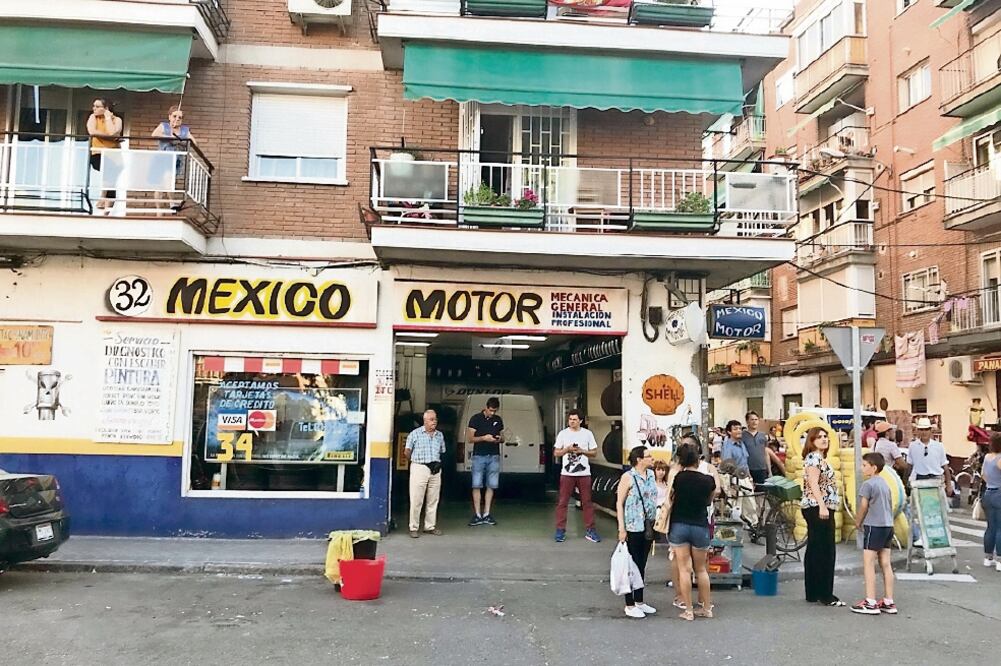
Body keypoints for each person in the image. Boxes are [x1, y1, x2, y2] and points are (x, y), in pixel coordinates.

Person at [668, 441, 720, 621]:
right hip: (700, 525)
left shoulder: (678, 478)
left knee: (684, 569)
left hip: (679, 524)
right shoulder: (708, 480)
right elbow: (709, 500)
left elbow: (671, 497)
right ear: (698, 459)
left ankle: (688, 610)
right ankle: (706, 608)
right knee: (701, 570)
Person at [800, 427, 843, 606]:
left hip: (817, 506)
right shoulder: (814, 459)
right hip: (818, 507)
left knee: (815, 549)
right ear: (811, 440)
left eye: (825, 437)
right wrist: (823, 506)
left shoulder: (819, 458)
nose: (824, 440)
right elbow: (813, 483)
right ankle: (826, 594)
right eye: (819, 437)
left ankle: (813, 592)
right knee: (825, 551)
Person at [851, 453, 898, 615]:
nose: (862, 468)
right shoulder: (885, 484)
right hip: (888, 526)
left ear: (874, 468)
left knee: (869, 563)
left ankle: (870, 601)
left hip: (874, 526)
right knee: (885, 563)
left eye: (864, 465)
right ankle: (889, 601)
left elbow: (863, 506)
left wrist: (858, 521)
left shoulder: (868, 485)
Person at [616, 446, 658, 618]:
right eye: (648, 456)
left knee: (642, 563)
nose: (651, 458)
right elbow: (619, 503)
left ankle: (640, 600)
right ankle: (629, 602)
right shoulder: (628, 477)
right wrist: (622, 527)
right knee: (631, 564)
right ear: (639, 459)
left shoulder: (651, 475)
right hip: (633, 526)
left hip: (648, 525)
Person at [554, 409, 600, 543]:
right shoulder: (563, 434)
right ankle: (560, 530)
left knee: (587, 502)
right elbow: (556, 453)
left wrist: (582, 451)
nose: (571, 422)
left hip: (584, 473)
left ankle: (590, 530)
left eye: (574, 419)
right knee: (563, 502)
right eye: (570, 419)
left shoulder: (587, 434)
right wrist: (566, 450)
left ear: (580, 421)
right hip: (567, 474)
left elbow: (594, 452)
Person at [404, 409, 446, 538]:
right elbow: (407, 452)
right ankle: (414, 527)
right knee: (417, 499)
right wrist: (416, 463)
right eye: (432, 419)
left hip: (435, 469)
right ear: (425, 421)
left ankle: (429, 526)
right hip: (420, 467)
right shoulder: (415, 434)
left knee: (433, 499)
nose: (434, 422)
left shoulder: (440, 435)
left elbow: (442, 451)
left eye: (435, 419)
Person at [466, 397, 504, 527]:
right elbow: (470, 438)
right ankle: (477, 514)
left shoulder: (498, 420)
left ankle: (487, 513)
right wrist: (484, 438)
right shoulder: (475, 418)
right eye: (491, 410)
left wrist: (499, 439)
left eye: (495, 411)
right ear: (486, 407)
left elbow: (503, 436)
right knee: (476, 484)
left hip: (494, 455)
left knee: (491, 485)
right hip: (479, 456)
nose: (492, 413)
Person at [86, 98, 122, 212]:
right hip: (98, 153)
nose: (94, 108)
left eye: (97, 106)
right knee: (108, 169)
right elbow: (92, 131)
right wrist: (111, 137)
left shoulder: (117, 120)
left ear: (106, 108)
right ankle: (102, 196)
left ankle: (106, 212)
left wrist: (107, 117)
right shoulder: (93, 117)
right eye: (94, 106)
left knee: (112, 180)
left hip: (114, 155)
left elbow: (113, 132)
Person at [909, 418, 953, 495]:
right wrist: (905, 481)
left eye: (926, 429)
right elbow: (909, 465)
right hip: (920, 480)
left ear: (930, 430)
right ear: (918, 431)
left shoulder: (939, 446)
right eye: (921, 430)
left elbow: (945, 467)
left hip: (936, 479)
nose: (924, 432)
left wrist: (948, 485)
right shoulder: (913, 446)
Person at [981, 433, 1001, 572]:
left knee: (990, 527)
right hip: (999, 493)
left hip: (988, 493)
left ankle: (988, 557)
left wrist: (991, 482)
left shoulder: (987, 457)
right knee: (1000, 528)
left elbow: (983, 475)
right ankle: (1000, 559)